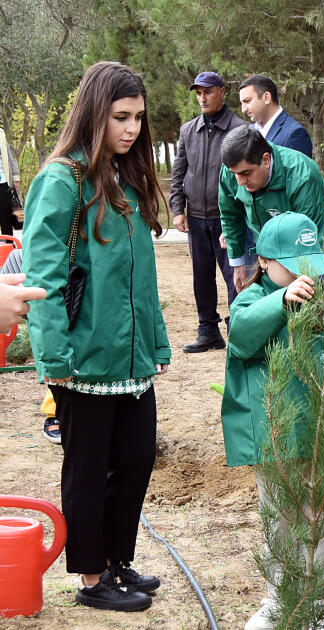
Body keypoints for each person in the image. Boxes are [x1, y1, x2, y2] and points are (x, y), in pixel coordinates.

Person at [22, 61, 170, 612]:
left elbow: (142, 280)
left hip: (131, 361)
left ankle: (117, 561)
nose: (131, 129)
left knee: (134, 460)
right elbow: (44, 277)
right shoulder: (61, 181)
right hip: (82, 363)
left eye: (138, 118)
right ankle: (90, 578)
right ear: (94, 113)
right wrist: (54, 356)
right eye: (120, 117)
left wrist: (154, 342)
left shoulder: (126, 179)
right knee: (88, 470)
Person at [219, 212, 324, 630]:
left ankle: (318, 600)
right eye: (294, 262)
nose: (306, 273)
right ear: (265, 262)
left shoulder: (321, 299)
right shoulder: (253, 301)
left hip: (318, 430)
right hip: (275, 437)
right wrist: (280, 300)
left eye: (312, 261)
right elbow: (243, 335)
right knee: (280, 517)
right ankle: (279, 598)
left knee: (319, 516)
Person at [170, 71, 247, 353]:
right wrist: (178, 210)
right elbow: (179, 172)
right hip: (196, 218)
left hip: (228, 218)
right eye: (198, 93)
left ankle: (237, 330)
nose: (202, 98)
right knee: (201, 276)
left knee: (234, 276)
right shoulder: (188, 130)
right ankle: (208, 332)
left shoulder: (240, 129)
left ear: (222, 92)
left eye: (208, 92)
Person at [217, 125, 324, 293]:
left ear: (266, 160)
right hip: (268, 246)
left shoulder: (301, 174)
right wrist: (237, 263)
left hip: (312, 241)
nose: (240, 181)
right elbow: (230, 215)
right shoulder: (232, 172)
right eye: (235, 173)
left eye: (246, 173)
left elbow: (311, 240)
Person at [239, 74, 313, 157]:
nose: (243, 109)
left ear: (267, 98)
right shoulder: (248, 131)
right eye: (242, 103)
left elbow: (300, 169)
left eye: (247, 101)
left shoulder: (295, 133)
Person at [0, 124, 21, 234]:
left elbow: (9, 156)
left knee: (5, 216)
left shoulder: (1, 133)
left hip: (3, 181)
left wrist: (15, 177)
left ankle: (8, 246)